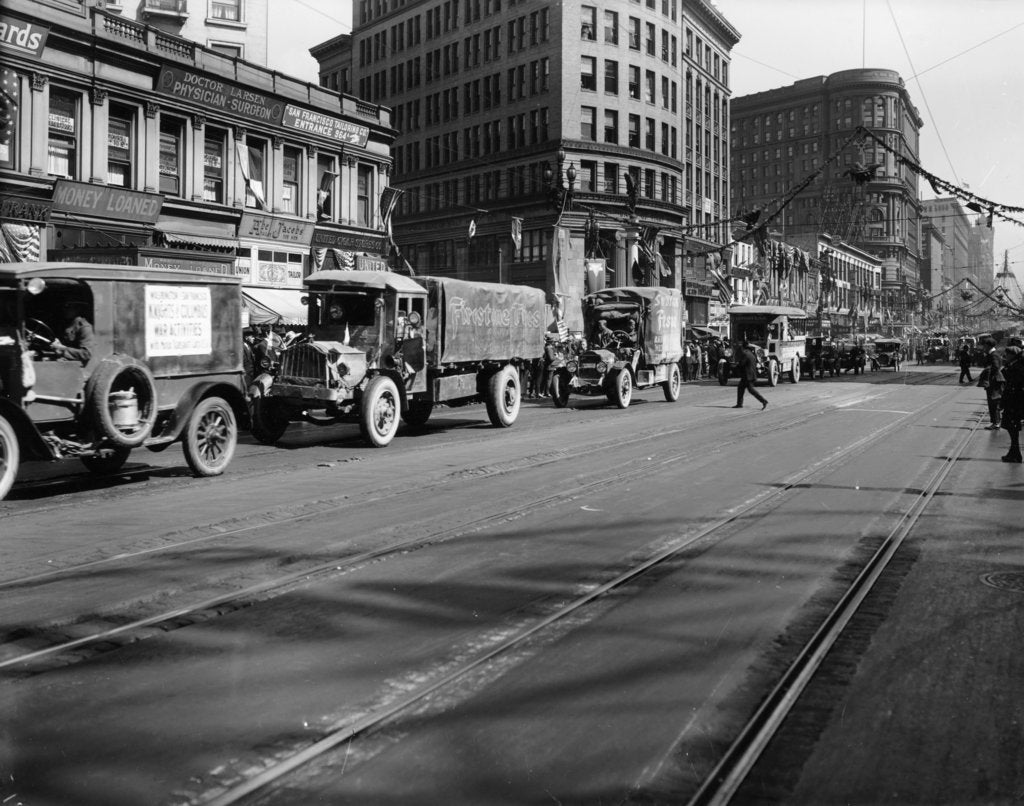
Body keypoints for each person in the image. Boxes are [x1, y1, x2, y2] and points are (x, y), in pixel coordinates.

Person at [50, 299, 95, 365]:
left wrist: (63, 349)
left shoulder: (84, 327)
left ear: (77, 309)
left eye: (69, 307)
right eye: (64, 307)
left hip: (77, 366)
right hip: (66, 362)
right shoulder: (67, 325)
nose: (65, 310)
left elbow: (86, 354)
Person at [999, 346, 1024, 463]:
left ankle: (1015, 453)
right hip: (1013, 400)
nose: (1005, 356)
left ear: (1012, 355)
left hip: (1015, 401)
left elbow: (1014, 383)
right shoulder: (1014, 364)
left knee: (1012, 426)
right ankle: (1014, 452)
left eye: (1007, 354)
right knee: (1011, 427)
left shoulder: (1017, 366)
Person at [733, 340, 768, 410]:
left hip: (747, 375)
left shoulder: (745, 354)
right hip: (750, 375)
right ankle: (739, 404)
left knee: (750, 390)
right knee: (741, 388)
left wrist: (736, 365)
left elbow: (742, 364)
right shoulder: (751, 354)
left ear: (743, 347)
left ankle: (763, 401)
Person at [980, 338, 1003, 430]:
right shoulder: (992, 354)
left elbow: (995, 367)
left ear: (988, 346)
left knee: (994, 402)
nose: (983, 347)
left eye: (985, 345)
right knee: (992, 402)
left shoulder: (994, 355)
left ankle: (996, 422)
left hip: (994, 381)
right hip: (993, 381)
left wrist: (987, 373)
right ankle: (995, 422)